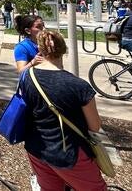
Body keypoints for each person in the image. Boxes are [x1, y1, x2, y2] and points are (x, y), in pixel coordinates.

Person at [20, 30, 107, 190]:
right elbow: (94, 126)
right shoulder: (79, 86)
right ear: (64, 50)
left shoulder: (27, 77)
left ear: (40, 50)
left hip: (36, 148)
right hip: (68, 153)